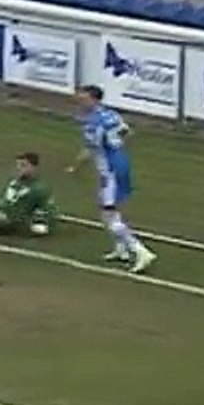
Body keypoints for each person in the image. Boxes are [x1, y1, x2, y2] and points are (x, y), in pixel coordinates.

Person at [66, 85, 157, 273]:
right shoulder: (112, 115)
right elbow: (128, 134)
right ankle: (121, 249)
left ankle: (140, 251)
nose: (80, 102)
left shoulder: (92, 122)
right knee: (108, 208)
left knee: (108, 213)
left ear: (94, 99)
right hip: (121, 164)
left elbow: (88, 150)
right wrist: (118, 151)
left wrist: (75, 167)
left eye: (83, 99)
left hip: (111, 171)